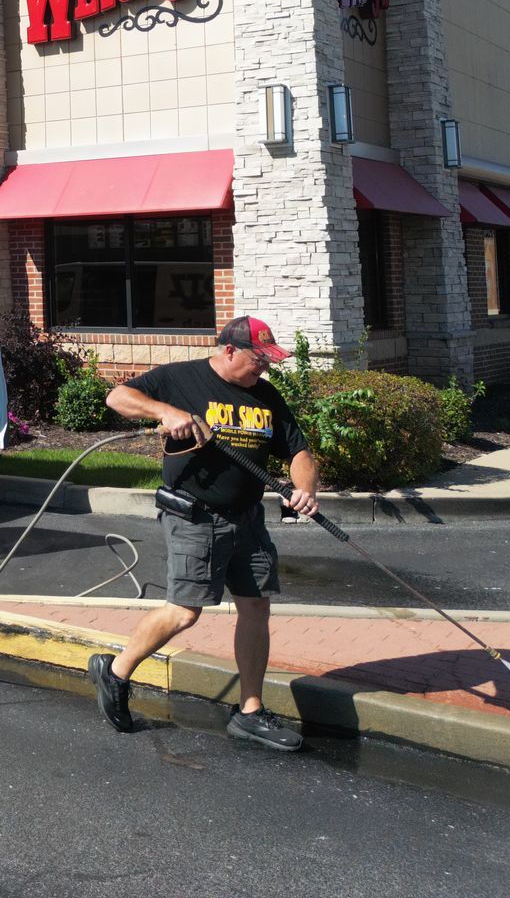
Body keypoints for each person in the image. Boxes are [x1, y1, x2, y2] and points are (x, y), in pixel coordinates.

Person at [86, 316, 320, 750]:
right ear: (228, 350)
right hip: (195, 516)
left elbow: (300, 451)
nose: (263, 370)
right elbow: (117, 396)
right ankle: (114, 672)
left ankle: (250, 711)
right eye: (257, 360)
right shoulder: (180, 377)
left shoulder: (266, 396)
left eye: (269, 362)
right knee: (185, 611)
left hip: (247, 518)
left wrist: (303, 489)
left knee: (255, 607)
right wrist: (164, 411)